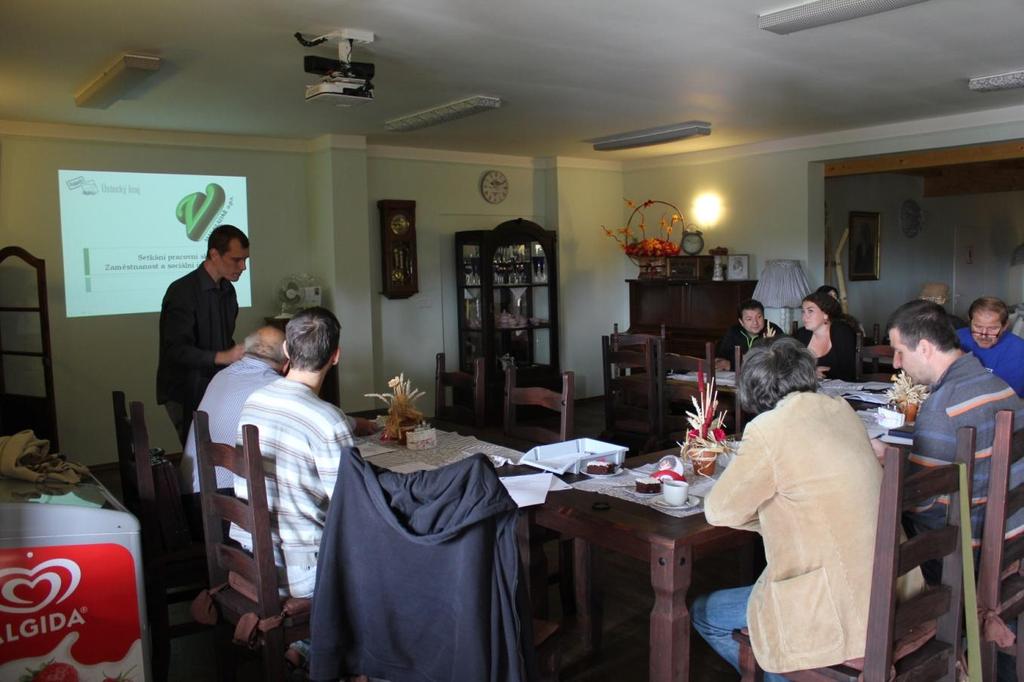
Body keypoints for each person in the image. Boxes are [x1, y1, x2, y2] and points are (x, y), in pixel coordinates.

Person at [691, 337, 921, 678]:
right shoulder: (840, 409)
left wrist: (775, 514)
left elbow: (719, 511)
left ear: (754, 389)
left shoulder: (768, 429)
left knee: (703, 613)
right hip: (894, 588)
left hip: (841, 610)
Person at [228, 307, 357, 599]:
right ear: (335, 356)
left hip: (250, 558)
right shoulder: (328, 419)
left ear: (286, 349)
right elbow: (352, 505)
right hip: (300, 573)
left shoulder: (255, 400)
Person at [881, 299, 1024, 548]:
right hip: (1011, 533)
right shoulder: (1001, 387)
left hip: (968, 552)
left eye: (899, 351)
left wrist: (884, 464)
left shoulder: (941, 408)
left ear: (924, 348)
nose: (896, 363)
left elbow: (920, 505)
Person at [157, 224, 249, 445]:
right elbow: (176, 350)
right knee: (199, 457)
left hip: (214, 387)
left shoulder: (228, 291)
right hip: (185, 392)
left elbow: (223, 340)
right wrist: (223, 356)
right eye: (236, 259)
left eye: (245, 259)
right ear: (214, 254)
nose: (243, 266)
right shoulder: (181, 292)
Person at [957, 296, 1024, 396]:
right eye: (978, 326)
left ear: (1005, 326)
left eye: (992, 328)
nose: (984, 335)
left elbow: (1008, 399)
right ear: (970, 322)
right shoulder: (956, 338)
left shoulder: (1018, 351)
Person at [793, 290, 858, 381]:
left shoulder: (842, 332)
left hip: (840, 390)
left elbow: (848, 372)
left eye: (810, 311)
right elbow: (789, 366)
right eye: (803, 312)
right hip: (808, 389)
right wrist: (809, 373)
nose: (804, 317)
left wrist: (809, 373)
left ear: (826, 314)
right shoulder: (801, 334)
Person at [714, 299, 784, 370]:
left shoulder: (774, 330)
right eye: (749, 319)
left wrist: (732, 365)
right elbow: (721, 359)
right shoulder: (733, 331)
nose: (755, 323)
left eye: (759, 317)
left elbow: (780, 361)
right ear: (741, 322)